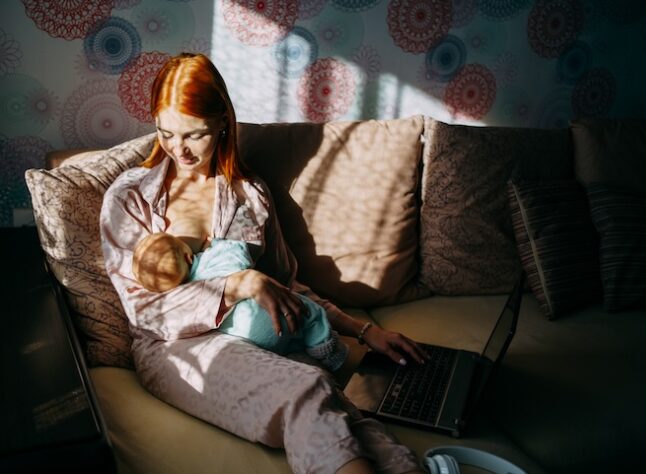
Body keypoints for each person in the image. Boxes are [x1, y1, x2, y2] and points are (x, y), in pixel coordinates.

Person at [100, 52, 427, 474]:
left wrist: (365, 331)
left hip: (262, 337)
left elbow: (285, 288)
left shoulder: (248, 196)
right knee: (305, 387)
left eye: (193, 135)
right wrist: (235, 286)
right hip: (175, 346)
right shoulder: (129, 198)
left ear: (222, 123)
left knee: (349, 414)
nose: (178, 148)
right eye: (165, 133)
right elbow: (144, 310)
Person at [132, 232, 349, 371]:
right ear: (189, 257)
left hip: (253, 339)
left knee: (288, 345)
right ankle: (331, 355)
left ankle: (298, 355)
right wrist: (217, 242)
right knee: (309, 313)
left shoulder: (186, 295)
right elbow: (239, 252)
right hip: (277, 313)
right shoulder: (213, 257)